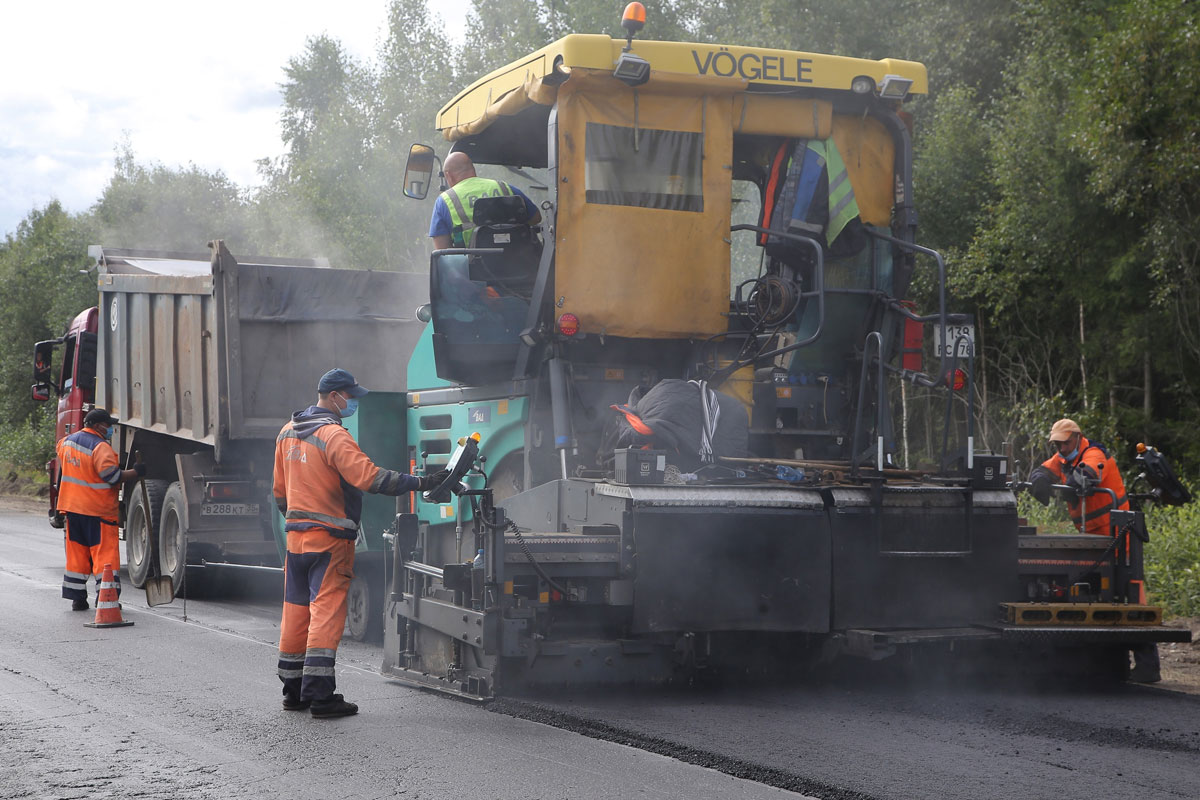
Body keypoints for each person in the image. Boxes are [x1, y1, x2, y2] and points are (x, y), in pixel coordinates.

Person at [272, 368, 448, 718]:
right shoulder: (333, 436)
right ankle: (321, 696)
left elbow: (279, 493)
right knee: (325, 614)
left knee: (295, 612)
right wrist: (421, 481)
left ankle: (293, 692)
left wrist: (298, 519)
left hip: (296, 540)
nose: (352, 402)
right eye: (350, 396)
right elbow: (370, 478)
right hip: (330, 541)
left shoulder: (287, 432)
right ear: (335, 396)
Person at [1031, 418, 1161, 683]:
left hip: (1118, 533)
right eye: (1057, 443)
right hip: (1092, 538)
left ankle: (1149, 666)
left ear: (1078, 438)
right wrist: (1039, 479)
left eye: (1065, 442)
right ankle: (1117, 664)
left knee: (1132, 594)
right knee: (1101, 597)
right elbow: (1043, 470)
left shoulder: (1094, 453)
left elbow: (1089, 473)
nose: (1061, 447)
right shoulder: (1063, 458)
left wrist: (1074, 483)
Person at [56, 408, 145, 611]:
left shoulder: (66, 442)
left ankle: (77, 598)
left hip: (72, 510)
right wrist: (136, 472)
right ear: (97, 426)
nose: (111, 429)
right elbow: (112, 476)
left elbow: (62, 454)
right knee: (105, 557)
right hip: (98, 512)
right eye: (108, 425)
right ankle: (106, 598)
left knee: (77, 556)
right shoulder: (100, 447)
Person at [429, 151, 541, 250]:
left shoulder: (445, 200)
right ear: (473, 169)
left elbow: (442, 250)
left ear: (448, 175)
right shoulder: (504, 187)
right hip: (520, 265)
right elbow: (536, 218)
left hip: (471, 270)